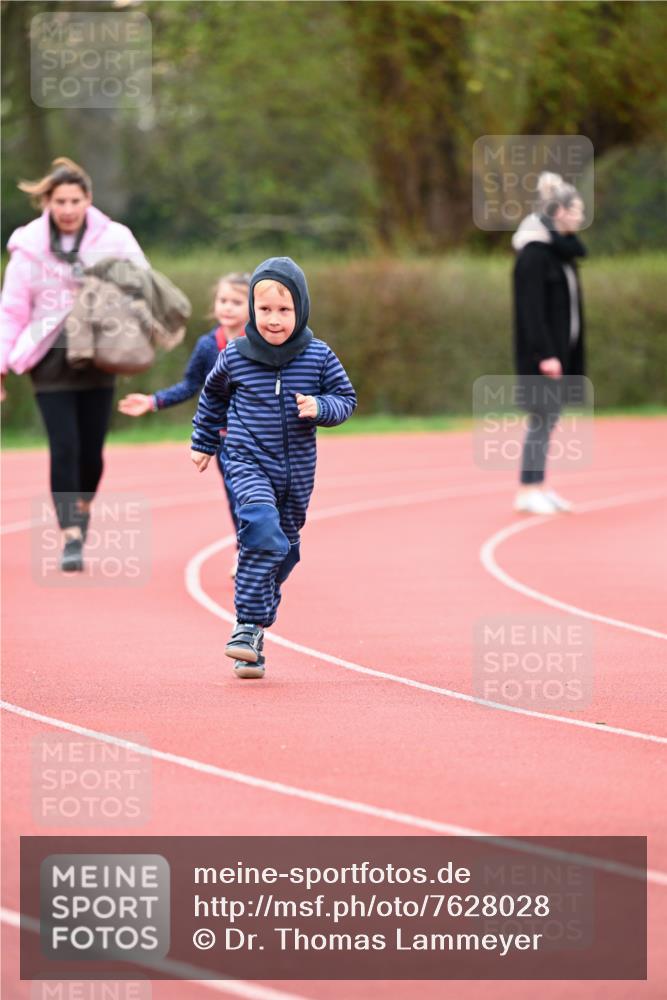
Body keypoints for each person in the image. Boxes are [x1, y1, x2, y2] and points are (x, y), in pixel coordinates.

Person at [190, 256, 357, 679]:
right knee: (261, 529)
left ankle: (256, 634)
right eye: (264, 310)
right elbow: (212, 397)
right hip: (247, 461)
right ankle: (246, 626)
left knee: (284, 548)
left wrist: (321, 407)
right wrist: (204, 442)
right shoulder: (237, 356)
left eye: (284, 310)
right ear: (252, 309)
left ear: (300, 309)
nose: (274, 319)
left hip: (297, 473)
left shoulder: (318, 355)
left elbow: (346, 399)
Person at [0, 157, 149, 570]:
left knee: (92, 452)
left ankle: (81, 508)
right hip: (48, 358)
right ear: (47, 202)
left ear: (88, 200)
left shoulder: (115, 238)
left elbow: (143, 282)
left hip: (99, 354)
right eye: (59, 201)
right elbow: (12, 308)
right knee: (63, 447)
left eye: (74, 200)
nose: (67, 209)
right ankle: (70, 535)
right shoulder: (28, 247)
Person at [117, 272, 251, 576]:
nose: (227, 307)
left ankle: (260, 546)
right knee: (236, 495)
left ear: (253, 306)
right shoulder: (207, 346)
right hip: (226, 438)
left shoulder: (264, 344)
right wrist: (153, 401)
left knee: (259, 497)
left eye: (236, 302)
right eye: (223, 300)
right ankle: (244, 550)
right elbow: (191, 384)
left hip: (262, 434)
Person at [511, 171, 587, 515]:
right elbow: (531, 311)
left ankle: (540, 485)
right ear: (559, 212)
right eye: (576, 210)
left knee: (549, 419)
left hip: (562, 355)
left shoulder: (561, 254)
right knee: (541, 419)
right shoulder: (534, 255)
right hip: (544, 358)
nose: (581, 216)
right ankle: (527, 489)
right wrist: (545, 354)